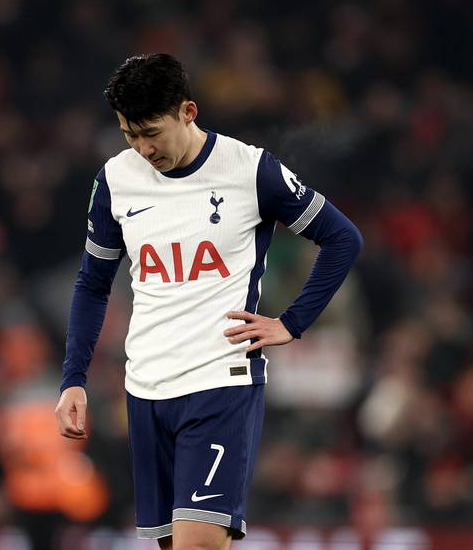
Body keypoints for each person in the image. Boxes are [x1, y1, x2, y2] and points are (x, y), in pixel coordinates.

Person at [54, 53, 363, 550]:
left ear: (188, 111)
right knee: (175, 546)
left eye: (152, 132)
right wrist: (74, 378)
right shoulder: (114, 180)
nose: (143, 148)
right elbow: (92, 284)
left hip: (220, 381)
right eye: (130, 135)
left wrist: (292, 322)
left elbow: (342, 238)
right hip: (147, 388)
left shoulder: (249, 169)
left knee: (199, 544)